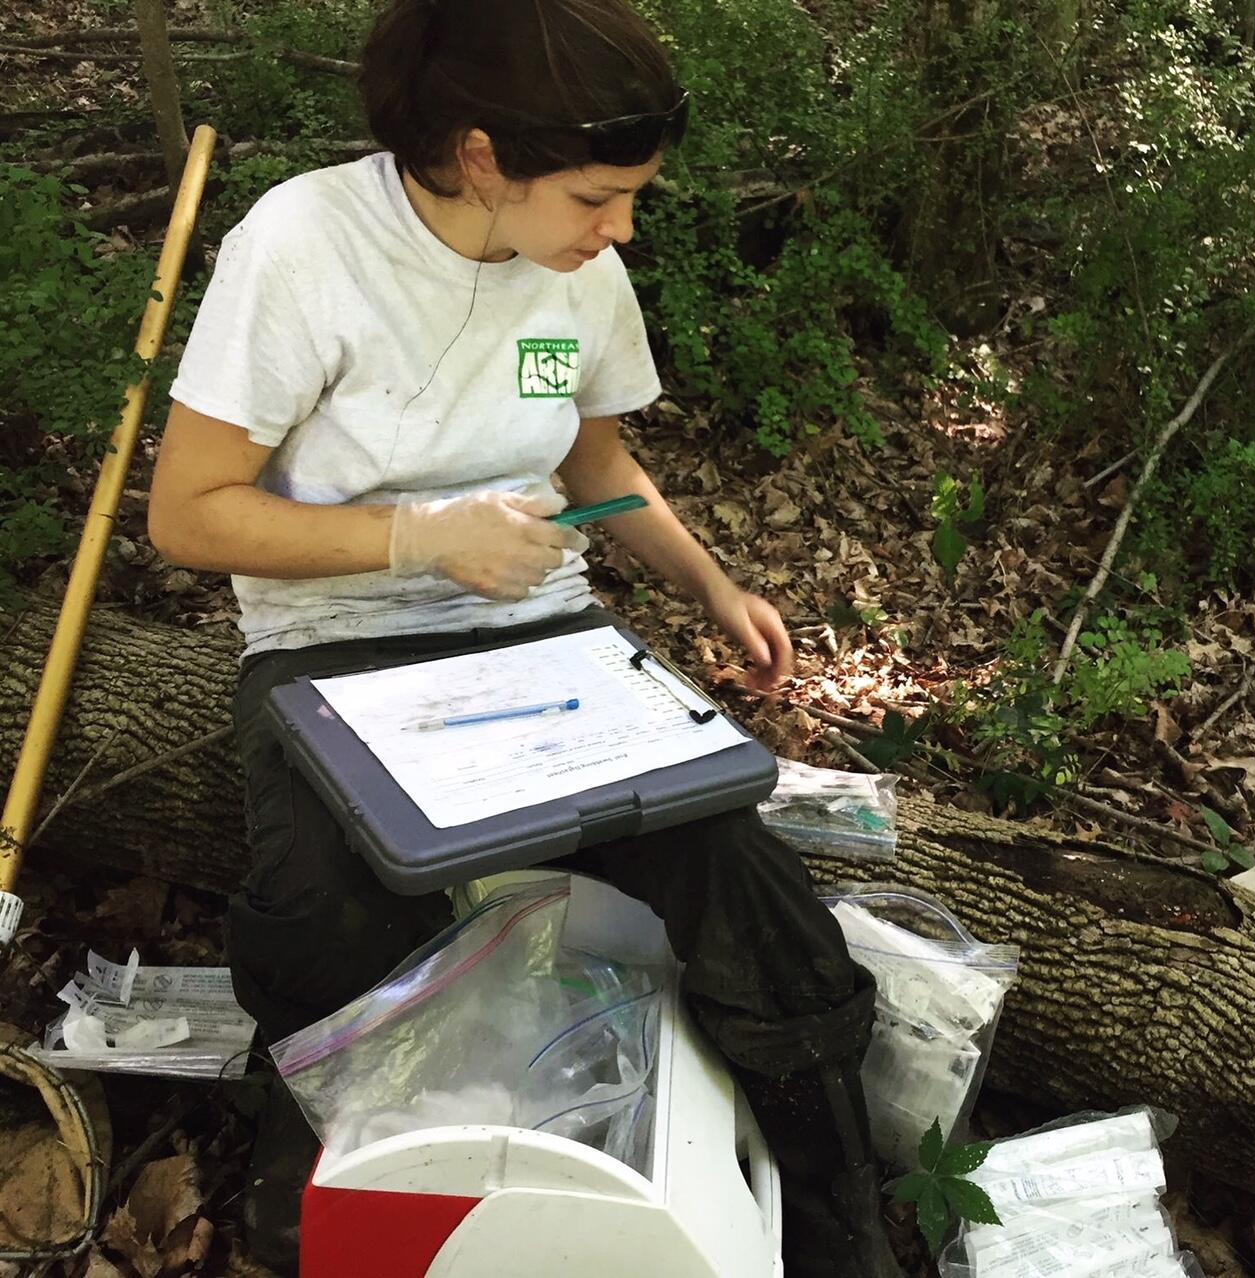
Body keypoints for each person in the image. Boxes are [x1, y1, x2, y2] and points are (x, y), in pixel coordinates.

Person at [147, 1, 903, 1275]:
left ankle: (833, 1210)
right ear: (484, 156)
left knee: (740, 874)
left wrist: (711, 586)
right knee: (331, 906)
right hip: (331, 646)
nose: (620, 232)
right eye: (598, 198)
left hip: (541, 639)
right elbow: (189, 513)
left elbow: (593, 456)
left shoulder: (576, 274)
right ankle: (316, 1171)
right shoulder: (306, 247)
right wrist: (416, 540)